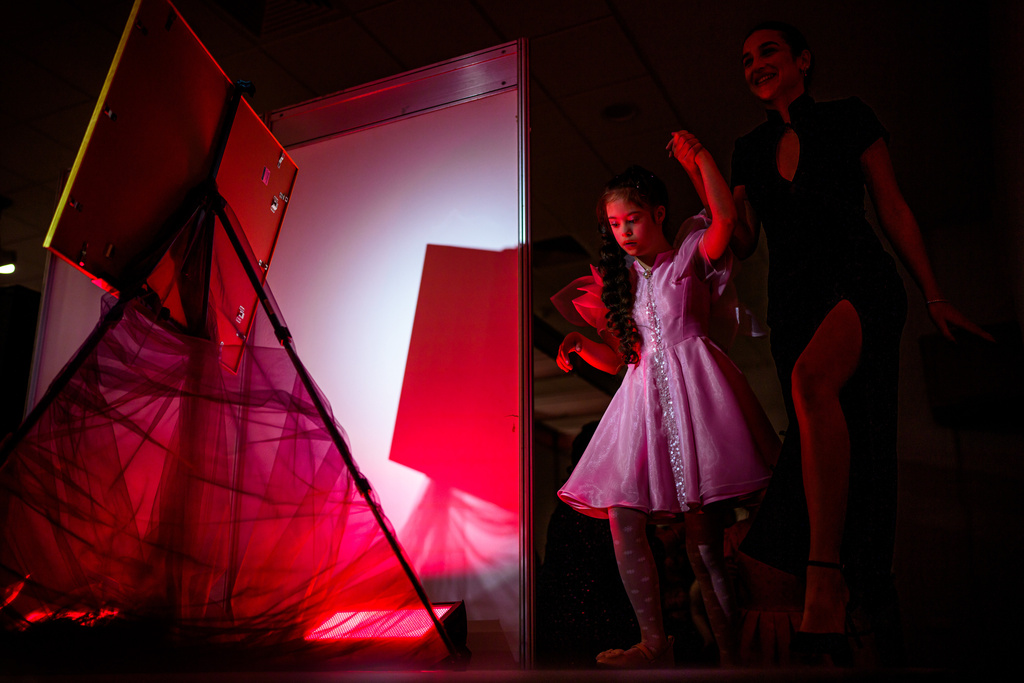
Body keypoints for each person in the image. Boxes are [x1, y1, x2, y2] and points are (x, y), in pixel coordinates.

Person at [730, 21, 992, 664]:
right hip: (792, 305)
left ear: (803, 60)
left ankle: (824, 580)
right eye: (746, 60)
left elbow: (893, 204)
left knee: (812, 384)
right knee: (848, 434)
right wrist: (707, 174)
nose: (755, 63)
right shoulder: (745, 148)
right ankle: (868, 596)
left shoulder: (849, 117)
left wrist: (933, 293)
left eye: (769, 51)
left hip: (858, 277)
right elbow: (740, 242)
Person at [551, 136, 780, 667]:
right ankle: (655, 643)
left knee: (703, 540)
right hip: (645, 403)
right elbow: (622, 360)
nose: (623, 231)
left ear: (657, 214)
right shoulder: (620, 283)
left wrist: (699, 158)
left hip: (695, 394)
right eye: (614, 224)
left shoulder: (689, 254)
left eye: (632, 219)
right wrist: (579, 344)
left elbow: (724, 218)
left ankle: (730, 655)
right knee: (623, 517)